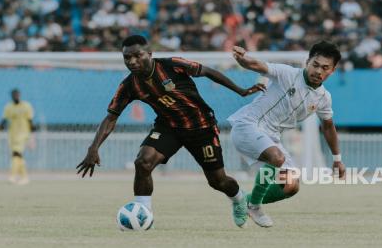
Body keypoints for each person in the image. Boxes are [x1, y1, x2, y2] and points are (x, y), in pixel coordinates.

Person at [76, 35, 265, 228]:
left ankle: (239, 199)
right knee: (143, 162)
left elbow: (207, 71)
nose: (132, 61)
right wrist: (93, 148)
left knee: (218, 181)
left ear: (149, 54)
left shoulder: (172, 65)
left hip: (201, 126)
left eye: (137, 56)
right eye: (127, 58)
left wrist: (240, 90)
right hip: (169, 127)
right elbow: (111, 117)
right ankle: (143, 213)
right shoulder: (129, 85)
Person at [228, 41, 346, 227]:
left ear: (332, 70)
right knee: (277, 157)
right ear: (307, 61)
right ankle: (255, 206)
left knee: (291, 186)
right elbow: (257, 65)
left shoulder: (324, 98)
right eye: (315, 65)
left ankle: (244, 200)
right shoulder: (287, 73)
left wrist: (337, 159)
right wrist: (243, 59)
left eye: (325, 68)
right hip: (248, 125)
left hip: (272, 138)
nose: (318, 71)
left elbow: (328, 127)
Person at [0, 89, 35, 185]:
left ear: (20, 95)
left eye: (17, 94)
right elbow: (4, 121)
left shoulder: (26, 106)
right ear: (12, 96)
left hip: (23, 135)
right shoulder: (8, 107)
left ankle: (13, 176)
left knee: (16, 154)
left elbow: (31, 122)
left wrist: (32, 138)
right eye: (14, 95)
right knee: (18, 156)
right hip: (12, 135)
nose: (16, 96)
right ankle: (25, 177)